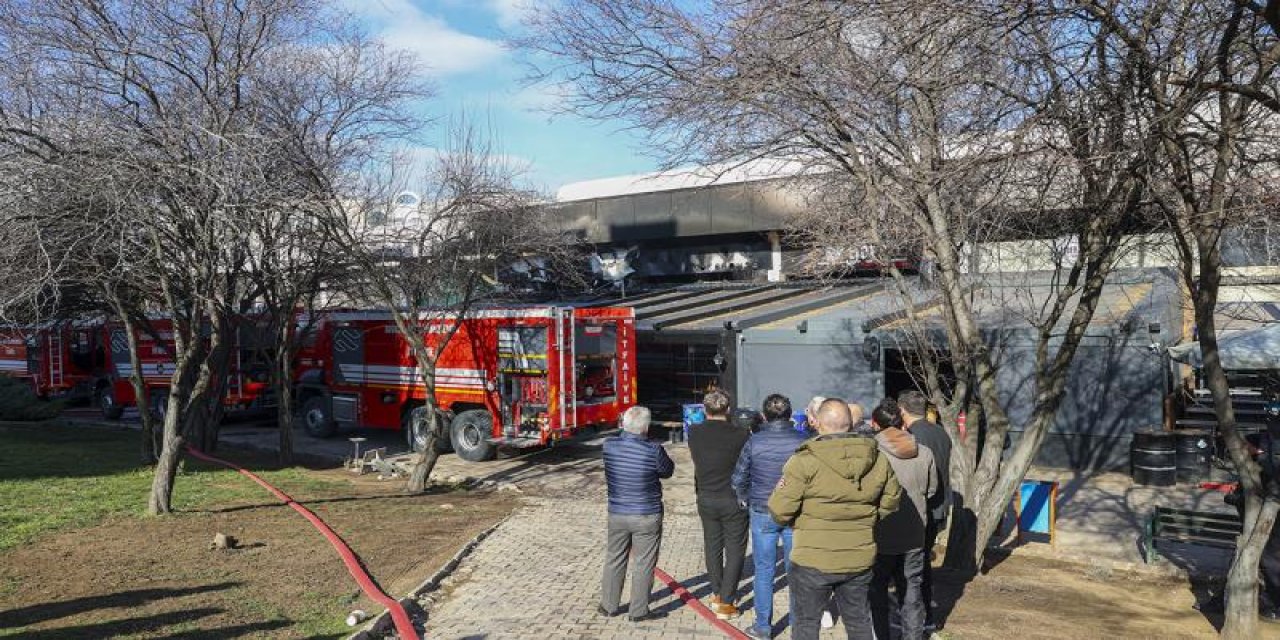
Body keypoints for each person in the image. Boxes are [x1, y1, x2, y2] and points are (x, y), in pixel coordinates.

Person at [769, 398, 902, 640]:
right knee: (859, 621)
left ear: (817, 423)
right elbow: (891, 500)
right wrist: (866, 520)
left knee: (806, 624)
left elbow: (779, 509)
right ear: (850, 424)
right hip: (858, 555)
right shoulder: (878, 459)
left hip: (812, 557)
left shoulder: (803, 461)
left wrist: (801, 523)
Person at [731, 393, 810, 639]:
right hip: (795, 512)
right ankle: (798, 626)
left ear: (764, 416)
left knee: (764, 570)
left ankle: (763, 627)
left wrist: (744, 497)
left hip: (762, 509)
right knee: (795, 571)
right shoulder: (804, 441)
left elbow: (738, 477)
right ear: (790, 415)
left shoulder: (755, 441)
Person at [869, 398, 937, 640]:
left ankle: (882, 635)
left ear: (875, 424)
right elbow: (931, 491)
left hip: (880, 532)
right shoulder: (925, 452)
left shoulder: (871, 452)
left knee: (877, 590)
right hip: (914, 531)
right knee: (912, 590)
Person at [599, 406, 675, 622]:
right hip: (646, 513)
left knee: (614, 557)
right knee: (643, 562)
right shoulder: (653, 450)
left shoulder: (608, 446)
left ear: (624, 423)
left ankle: (608, 606)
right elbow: (667, 471)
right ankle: (638, 611)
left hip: (617, 512)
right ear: (646, 427)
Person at [688, 389, 751, 619]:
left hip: (706, 496)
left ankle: (716, 592)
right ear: (728, 409)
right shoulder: (742, 434)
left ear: (705, 410)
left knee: (712, 545)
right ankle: (726, 601)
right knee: (735, 549)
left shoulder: (694, 433)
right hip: (733, 498)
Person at [899, 389, 952, 629]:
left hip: (919, 508)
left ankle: (915, 618)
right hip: (939, 506)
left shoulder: (910, 436)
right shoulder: (941, 432)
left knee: (912, 568)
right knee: (922, 564)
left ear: (902, 410)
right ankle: (926, 616)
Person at [1223, 435, 1280, 622]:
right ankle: (1224, 598)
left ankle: (1274, 604)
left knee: (1269, 560)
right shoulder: (1255, 462)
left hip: (1269, 526)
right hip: (1253, 523)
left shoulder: (1268, 466)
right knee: (1244, 558)